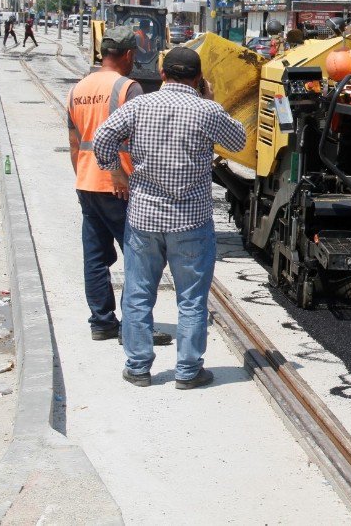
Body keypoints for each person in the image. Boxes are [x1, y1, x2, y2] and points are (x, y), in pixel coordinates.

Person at [93, 47, 246, 389]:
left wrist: (115, 171)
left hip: (144, 219)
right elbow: (239, 140)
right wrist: (210, 99)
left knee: (138, 293)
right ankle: (188, 371)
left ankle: (138, 367)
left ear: (162, 74)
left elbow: (103, 137)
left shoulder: (139, 105)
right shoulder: (206, 110)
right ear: (197, 78)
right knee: (191, 298)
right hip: (191, 221)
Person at [67, 26, 172, 347]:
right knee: (142, 256)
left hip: (87, 183)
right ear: (127, 55)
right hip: (122, 186)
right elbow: (143, 139)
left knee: (96, 256)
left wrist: (86, 175)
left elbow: (74, 143)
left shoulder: (78, 89)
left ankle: (102, 322)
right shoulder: (128, 88)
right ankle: (136, 325)